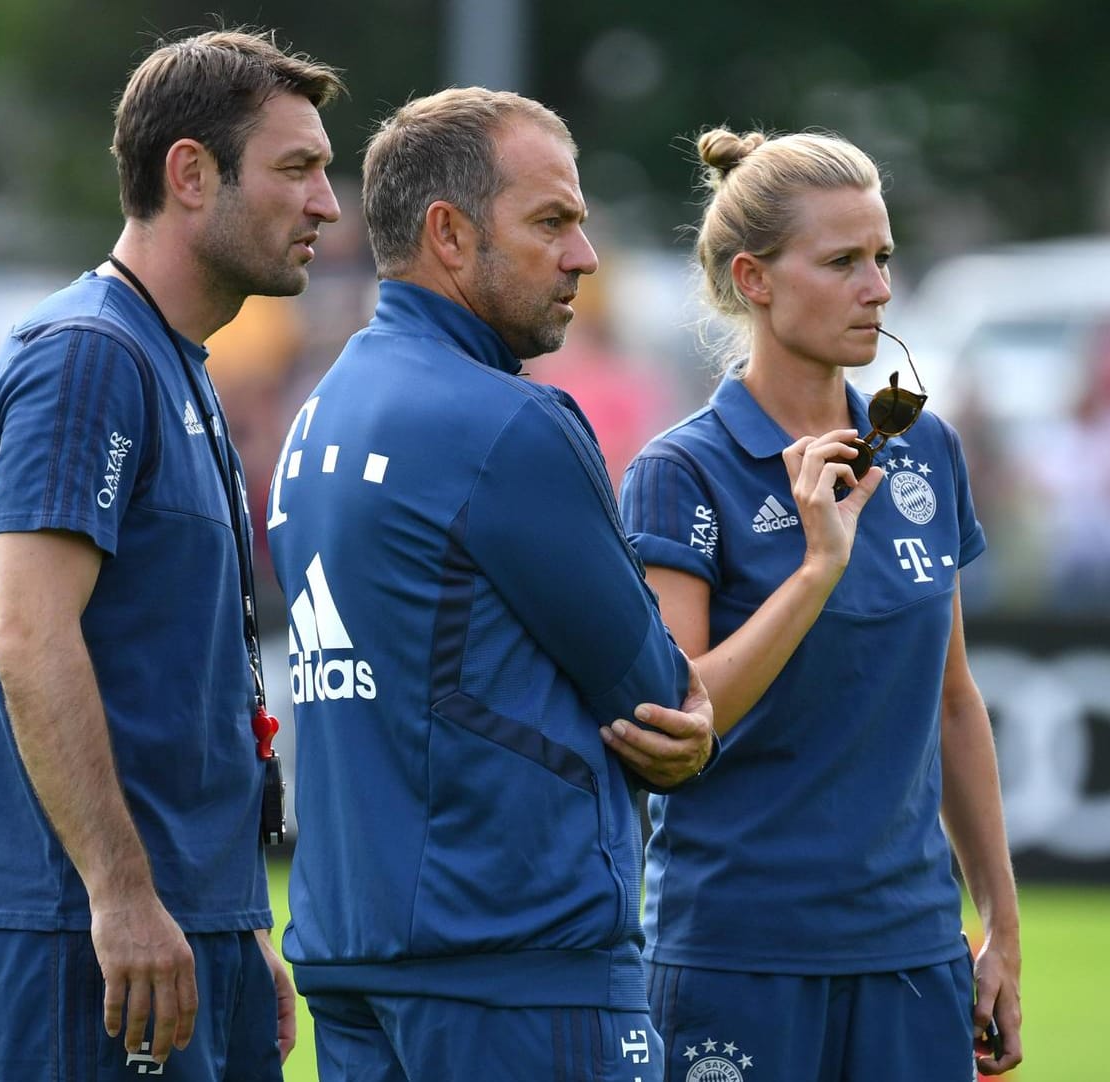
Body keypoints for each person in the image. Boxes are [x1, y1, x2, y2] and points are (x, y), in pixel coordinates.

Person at [263, 87, 715, 1081]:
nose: (583, 255)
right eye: (551, 220)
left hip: (350, 951)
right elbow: (656, 697)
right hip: (513, 964)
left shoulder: (315, 416)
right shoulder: (510, 422)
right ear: (450, 234)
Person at [0, 29, 344, 1080]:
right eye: (297, 168)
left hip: (189, 928)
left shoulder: (176, 366)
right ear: (189, 172)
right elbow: (29, 630)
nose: (328, 204)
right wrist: (122, 894)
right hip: (96, 935)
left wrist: (235, 919)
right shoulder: (91, 356)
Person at [618, 128, 1025, 1079]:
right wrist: (815, 570)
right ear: (753, 280)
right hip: (735, 953)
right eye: (842, 261)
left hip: (912, 954)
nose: (877, 287)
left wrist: (1000, 929)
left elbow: (955, 701)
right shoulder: (680, 472)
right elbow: (681, 715)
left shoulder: (929, 451)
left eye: (882, 257)